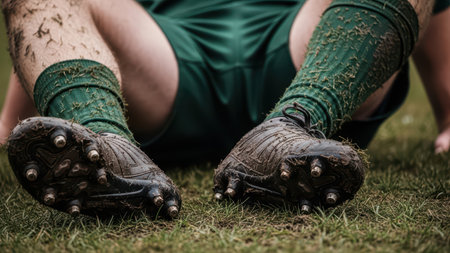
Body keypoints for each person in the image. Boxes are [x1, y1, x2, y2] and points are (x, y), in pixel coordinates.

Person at [0, 0, 449, 218]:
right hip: (164, 59)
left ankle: (295, 122)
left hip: (308, 53)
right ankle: (107, 144)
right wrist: (13, 120)